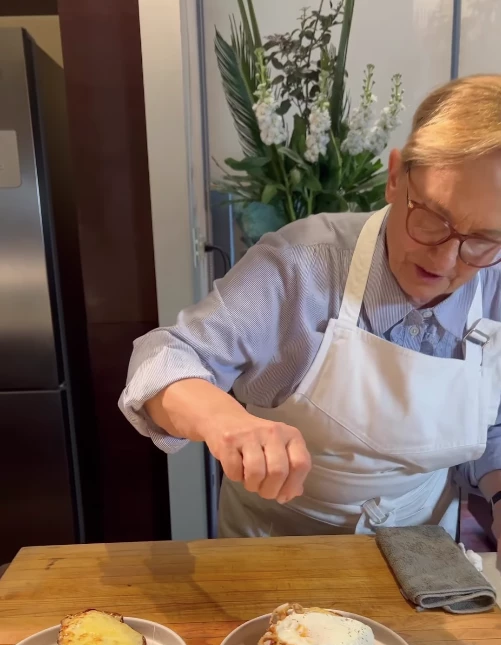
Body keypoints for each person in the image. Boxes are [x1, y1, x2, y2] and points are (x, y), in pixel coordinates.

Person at [120, 74, 501, 554]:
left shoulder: (494, 284)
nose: (444, 260)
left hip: (425, 549)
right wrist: (225, 420)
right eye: (431, 219)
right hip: (278, 547)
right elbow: (162, 357)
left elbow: (492, 424)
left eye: (482, 241)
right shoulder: (299, 266)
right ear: (394, 177)